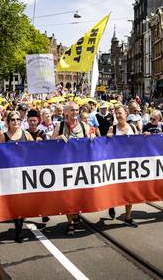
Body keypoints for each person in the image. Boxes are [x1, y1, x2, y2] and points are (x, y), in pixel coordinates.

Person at [52, 101, 92, 235]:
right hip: (65, 165)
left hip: (80, 166)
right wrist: (58, 138)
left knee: (79, 193)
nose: (75, 113)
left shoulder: (83, 125)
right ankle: (70, 222)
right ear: (66, 112)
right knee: (67, 194)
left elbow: (91, 140)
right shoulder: (60, 125)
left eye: (77, 110)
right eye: (72, 110)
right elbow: (50, 143)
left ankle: (76, 212)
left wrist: (92, 136)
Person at [0, 110, 34, 243]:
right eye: (13, 119)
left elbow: (36, 150)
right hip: (10, 175)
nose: (16, 122)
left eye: (18, 119)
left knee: (23, 201)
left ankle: (20, 224)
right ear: (8, 122)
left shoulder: (27, 134)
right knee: (15, 202)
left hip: (25, 174)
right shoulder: (4, 137)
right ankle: (18, 227)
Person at [106, 105, 138, 227]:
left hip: (130, 165)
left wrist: (145, 135)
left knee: (129, 191)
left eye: (120, 113)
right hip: (116, 164)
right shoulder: (112, 128)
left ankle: (128, 216)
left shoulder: (133, 127)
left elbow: (139, 142)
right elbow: (106, 145)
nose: (118, 115)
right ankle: (111, 205)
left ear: (126, 113)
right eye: (116, 113)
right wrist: (108, 138)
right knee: (114, 188)